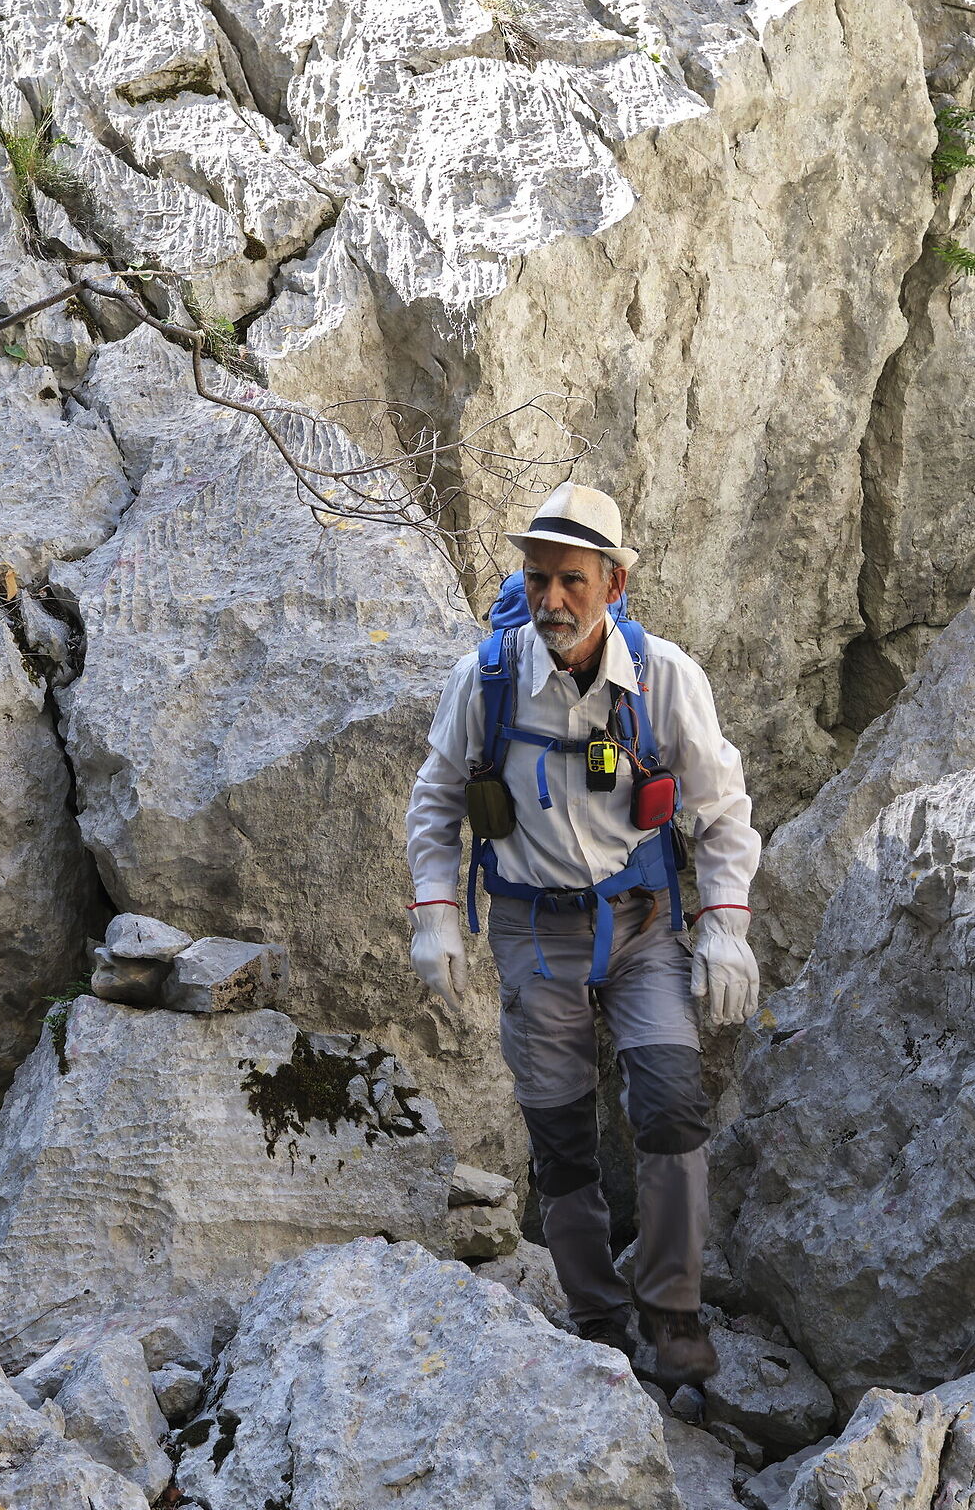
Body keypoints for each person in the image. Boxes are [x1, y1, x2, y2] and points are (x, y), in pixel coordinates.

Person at [403, 482, 761, 1385]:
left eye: (572, 579)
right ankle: (597, 1316)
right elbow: (437, 799)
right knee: (560, 1133)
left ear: (615, 579)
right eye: (537, 579)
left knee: (672, 1102)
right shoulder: (485, 678)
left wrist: (724, 925)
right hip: (531, 928)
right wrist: (436, 909)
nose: (552, 601)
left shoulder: (667, 677)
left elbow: (720, 810)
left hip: (640, 924)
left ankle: (673, 1308)